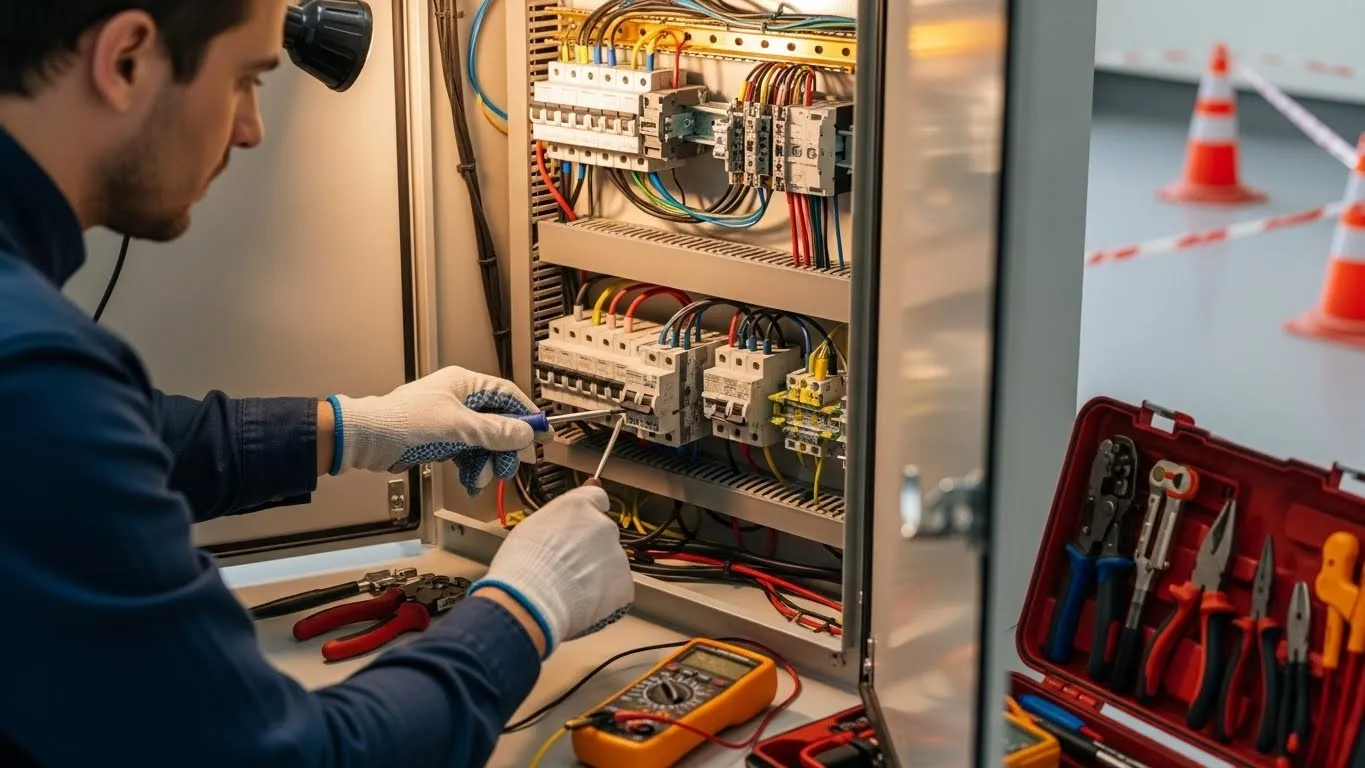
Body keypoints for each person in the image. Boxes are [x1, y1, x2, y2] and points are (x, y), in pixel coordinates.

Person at [0, 1, 634, 765]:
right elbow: (291, 757)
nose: (250, 129)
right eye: (245, 79)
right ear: (126, 58)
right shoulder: (33, 372)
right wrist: (524, 608)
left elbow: (99, 453)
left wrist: (354, 427)